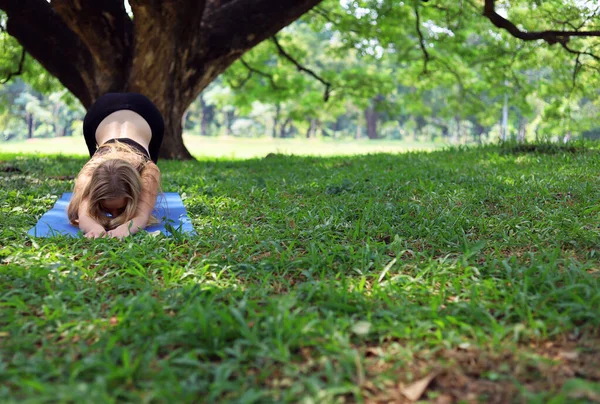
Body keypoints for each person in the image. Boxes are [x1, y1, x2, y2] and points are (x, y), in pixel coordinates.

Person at [67, 93, 164, 239]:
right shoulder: (89, 172)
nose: (113, 215)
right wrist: (94, 228)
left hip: (148, 115)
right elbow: (84, 215)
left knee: (147, 192)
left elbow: (141, 217)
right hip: (98, 115)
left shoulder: (149, 170)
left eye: (121, 208)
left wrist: (125, 229)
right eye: (107, 208)